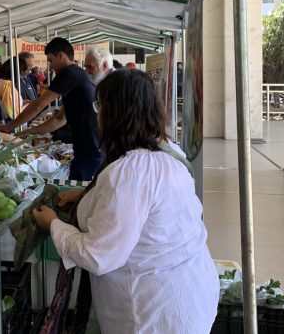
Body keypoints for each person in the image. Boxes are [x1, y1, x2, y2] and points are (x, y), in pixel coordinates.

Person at [32, 69, 219, 333]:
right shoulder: (167, 151)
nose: (97, 115)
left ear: (115, 112)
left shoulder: (129, 173)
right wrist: (87, 194)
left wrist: (52, 224)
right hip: (190, 293)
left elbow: (98, 255)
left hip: (154, 314)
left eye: (100, 106)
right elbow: (143, 205)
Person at [0, 38, 102, 180]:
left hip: (90, 149)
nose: (51, 66)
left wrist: (11, 126)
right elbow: (59, 120)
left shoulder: (69, 73)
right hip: (91, 147)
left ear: (61, 55)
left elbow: (38, 105)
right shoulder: (78, 74)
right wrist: (28, 132)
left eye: (50, 60)